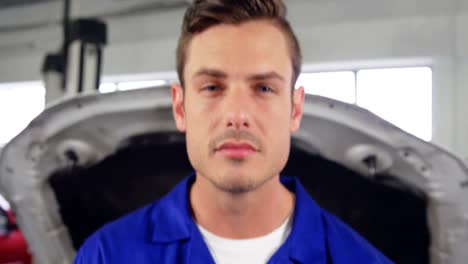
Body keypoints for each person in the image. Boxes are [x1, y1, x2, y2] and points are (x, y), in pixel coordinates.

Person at [74, 0, 393, 263]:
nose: (237, 115)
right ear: (180, 108)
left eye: (264, 87)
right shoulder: (105, 255)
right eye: (212, 87)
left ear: (294, 110)